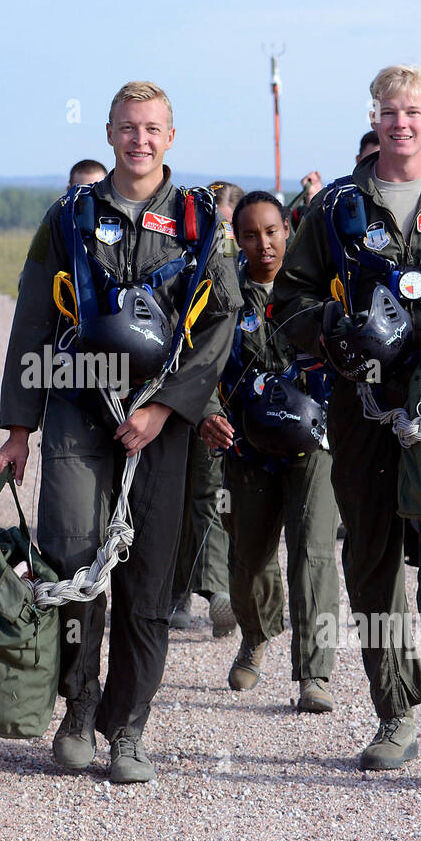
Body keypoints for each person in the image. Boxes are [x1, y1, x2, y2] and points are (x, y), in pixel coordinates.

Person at [0, 80, 240, 783]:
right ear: (108, 133)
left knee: (147, 578)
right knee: (73, 557)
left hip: (161, 417)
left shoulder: (200, 222)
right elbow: (35, 319)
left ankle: (129, 727)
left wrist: (167, 408)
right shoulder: (71, 215)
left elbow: (221, 322)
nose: (140, 139)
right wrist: (19, 427)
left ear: (171, 136)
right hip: (77, 403)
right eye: (128, 128)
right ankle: (77, 707)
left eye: (152, 128)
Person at [273, 64, 421, 776]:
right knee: (372, 559)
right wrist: (332, 327)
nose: (400, 123)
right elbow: (286, 304)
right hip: (362, 404)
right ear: (374, 118)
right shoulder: (338, 207)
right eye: (388, 112)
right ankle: (394, 714)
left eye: (412, 112)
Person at [199, 191, 341, 711]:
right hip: (248, 447)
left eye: (273, 232)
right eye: (251, 235)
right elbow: (199, 363)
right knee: (249, 557)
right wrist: (206, 413)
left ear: (289, 229)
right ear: (238, 238)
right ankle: (256, 636)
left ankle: (314, 672)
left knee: (313, 552)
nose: (264, 244)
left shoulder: (317, 287)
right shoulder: (222, 294)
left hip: (314, 445)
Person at [167, 181, 244, 635]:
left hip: (231, 404)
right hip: (186, 393)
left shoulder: (251, 272)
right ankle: (178, 593)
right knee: (180, 497)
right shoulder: (191, 261)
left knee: (211, 497)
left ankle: (217, 589)